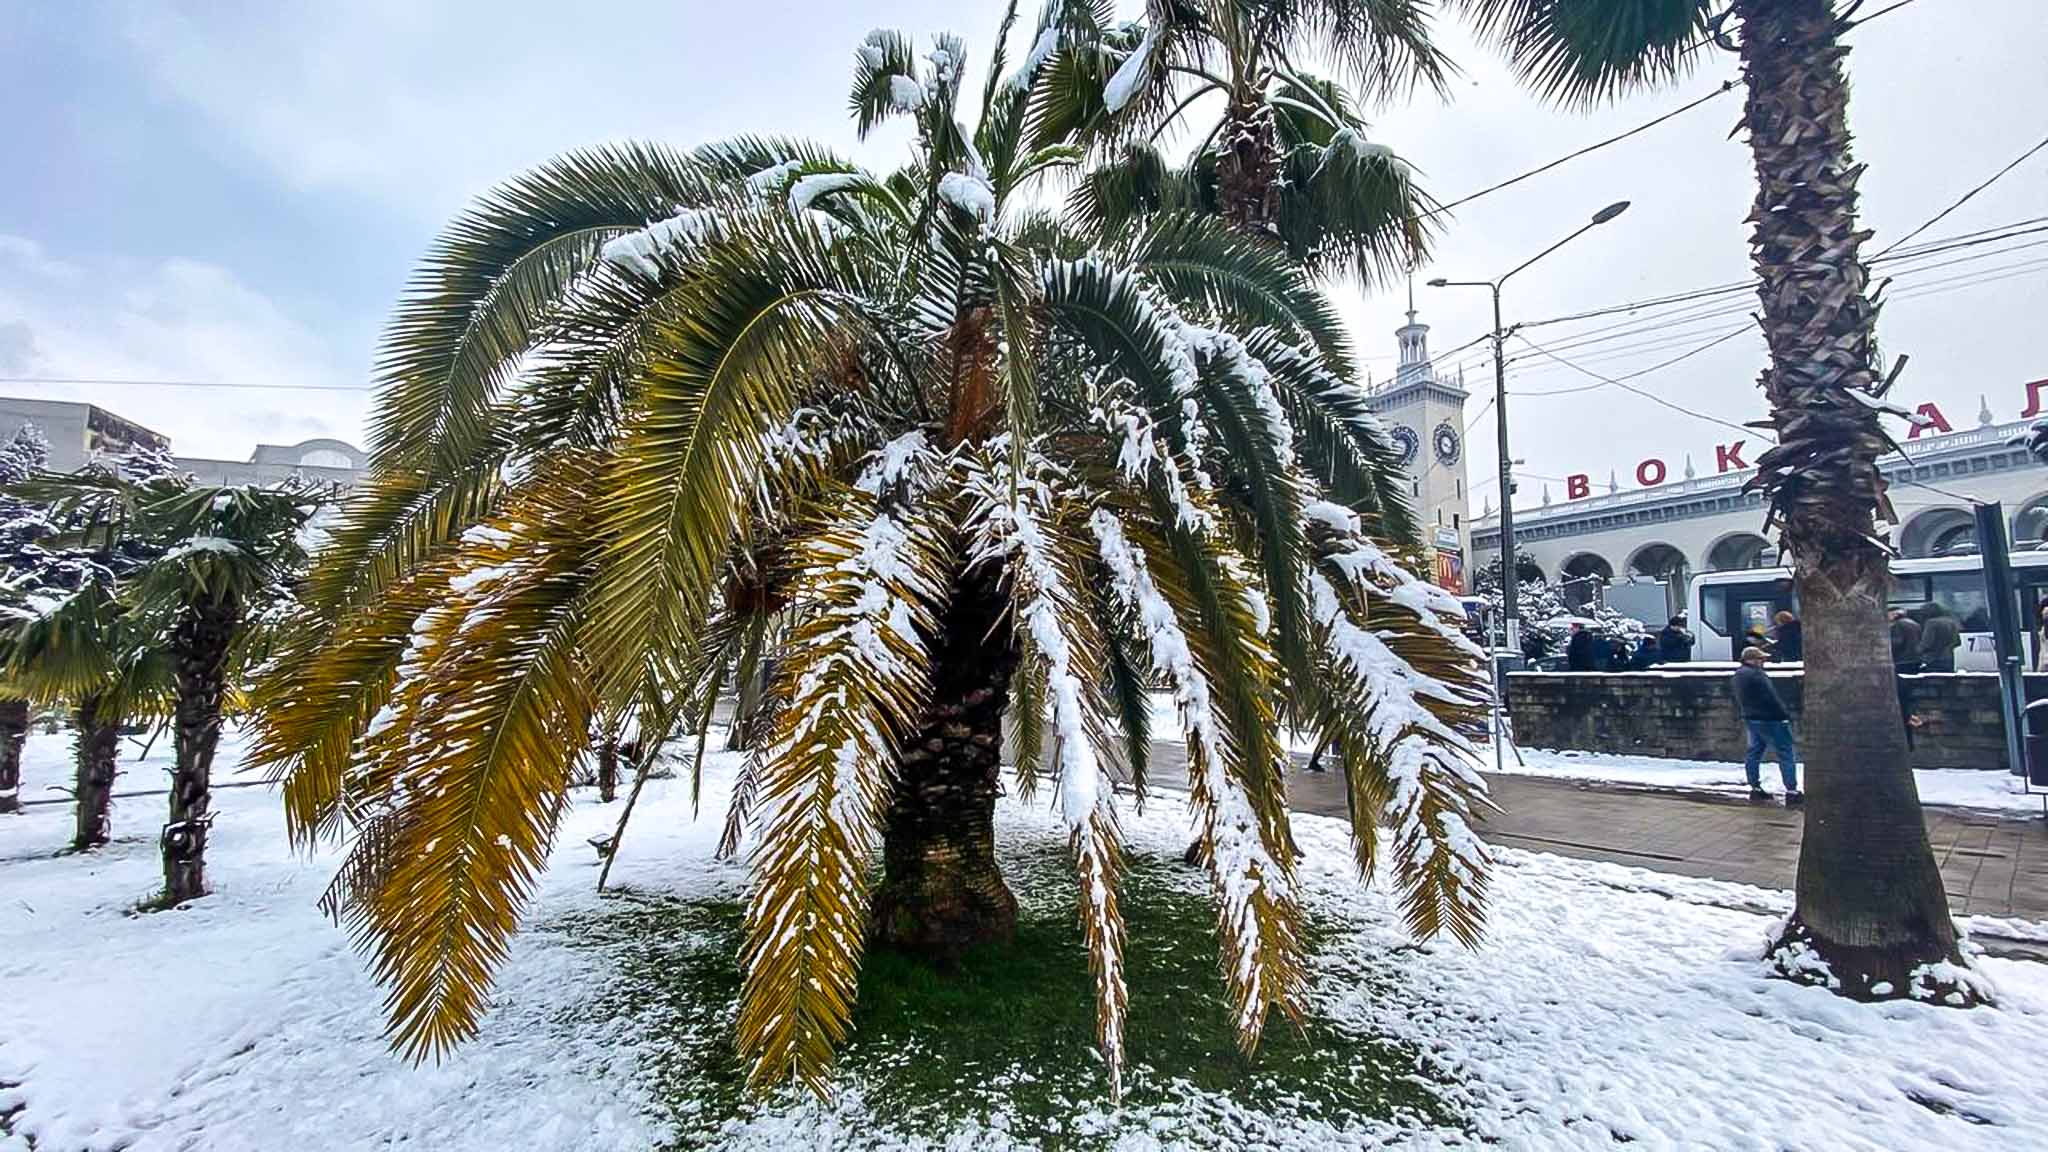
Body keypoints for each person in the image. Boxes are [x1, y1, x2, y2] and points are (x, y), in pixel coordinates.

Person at [1733, 646, 1802, 805]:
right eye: (1761, 659)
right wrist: (1784, 715)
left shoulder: (1738, 675)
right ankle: (1792, 791)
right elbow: (1771, 698)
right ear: (1751, 660)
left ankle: (1755, 788)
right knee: (1785, 752)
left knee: (1754, 752)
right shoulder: (1757, 675)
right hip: (1771, 719)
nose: (1763, 661)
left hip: (1752, 718)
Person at [1919, 602, 1961, 673]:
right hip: (1948, 658)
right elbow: (1958, 642)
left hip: (1933, 659)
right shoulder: (1951, 622)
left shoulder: (1931, 623)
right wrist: (1948, 649)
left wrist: (1917, 651)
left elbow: (1927, 643)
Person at [1889, 607, 1923, 674]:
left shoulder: (1898, 625)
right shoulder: (1915, 624)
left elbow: (1897, 642)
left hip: (1902, 659)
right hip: (1915, 658)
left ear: (1895, 615)